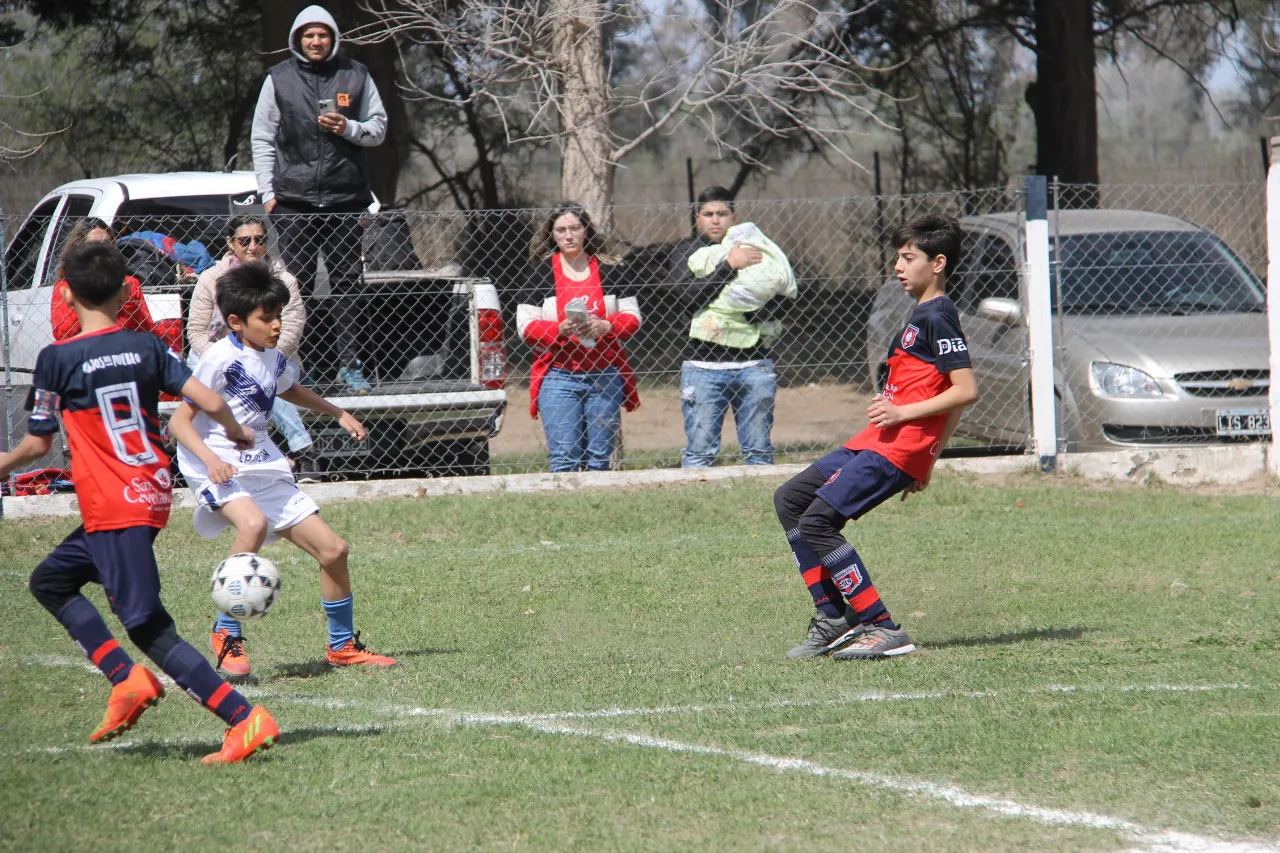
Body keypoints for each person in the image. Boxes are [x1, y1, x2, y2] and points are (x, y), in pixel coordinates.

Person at [0, 242, 279, 763]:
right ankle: (125, 678)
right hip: (150, 494)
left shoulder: (56, 359)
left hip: (112, 505)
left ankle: (244, 718)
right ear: (129, 289)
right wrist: (237, 432)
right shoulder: (147, 345)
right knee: (51, 581)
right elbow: (209, 399)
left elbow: (37, 446)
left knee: (146, 624)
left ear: (63, 293)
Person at [169, 262, 397, 678]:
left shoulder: (272, 357)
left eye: (279, 315)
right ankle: (226, 632)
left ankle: (342, 646)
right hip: (215, 464)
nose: (277, 325)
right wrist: (213, 461)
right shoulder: (219, 358)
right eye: (267, 317)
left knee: (334, 550)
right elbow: (179, 422)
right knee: (252, 524)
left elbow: (286, 387)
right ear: (236, 322)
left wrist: (337, 412)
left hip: (261, 463)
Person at [773, 214, 978, 661]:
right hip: (876, 439)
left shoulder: (939, 315)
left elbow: (965, 390)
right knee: (791, 500)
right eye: (897, 257)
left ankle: (883, 627)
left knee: (817, 522)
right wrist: (933, 456)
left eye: (909, 258)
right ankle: (832, 616)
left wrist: (914, 436)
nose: (898, 266)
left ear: (938, 263)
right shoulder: (920, 313)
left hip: (897, 447)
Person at [251, 4, 387, 395]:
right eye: (309, 35)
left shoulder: (356, 75)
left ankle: (350, 364)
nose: (316, 41)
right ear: (297, 39)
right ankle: (295, 365)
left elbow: (378, 129)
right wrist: (269, 193)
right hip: (293, 201)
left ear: (333, 38)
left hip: (346, 198)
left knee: (347, 283)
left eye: (322, 34)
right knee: (296, 285)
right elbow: (261, 137)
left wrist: (348, 127)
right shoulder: (278, 78)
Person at [668, 186, 795, 468]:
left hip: (755, 364)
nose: (715, 220)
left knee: (759, 451)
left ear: (733, 216)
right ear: (697, 217)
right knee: (700, 452)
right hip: (703, 366)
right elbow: (687, 298)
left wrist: (752, 312)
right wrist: (728, 265)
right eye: (708, 214)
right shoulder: (685, 252)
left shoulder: (755, 248)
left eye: (722, 214)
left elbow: (782, 295)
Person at [189, 215, 317, 480]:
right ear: (230, 243)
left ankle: (302, 449)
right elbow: (197, 331)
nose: (252, 246)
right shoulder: (211, 278)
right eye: (244, 240)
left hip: (274, 353)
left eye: (259, 240)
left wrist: (259, 357)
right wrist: (222, 358)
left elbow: (291, 328)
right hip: (219, 355)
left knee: (265, 376)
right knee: (200, 368)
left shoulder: (284, 279)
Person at [517, 202, 641, 473]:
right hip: (559, 376)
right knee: (565, 461)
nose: (568, 235)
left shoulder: (611, 268)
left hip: (604, 375)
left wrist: (607, 326)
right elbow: (524, 326)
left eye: (574, 228)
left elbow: (633, 317)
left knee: (599, 461)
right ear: (552, 235)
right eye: (561, 230)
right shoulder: (540, 272)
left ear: (586, 230)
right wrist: (557, 330)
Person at [50, 219, 155, 341]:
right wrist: (88, 296)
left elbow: (146, 330)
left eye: (106, 244)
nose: (102, 251)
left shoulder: (129, 284)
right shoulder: (67, 287)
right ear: (79, 249)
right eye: (94, 245)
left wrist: (122, 299)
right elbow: (62, 333)